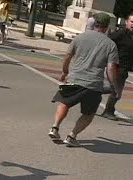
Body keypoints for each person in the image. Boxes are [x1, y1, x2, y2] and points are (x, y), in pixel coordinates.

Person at [48, 12, 122, 147]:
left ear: (94, 23)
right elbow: (111, 68)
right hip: (92, 85)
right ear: (107, 26)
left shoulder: (79, 38)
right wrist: (115, 87)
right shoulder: (110, 45)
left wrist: (65, 72)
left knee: (64, 103)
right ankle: (72, 135)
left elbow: (67, 56)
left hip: (74, 79)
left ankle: (55, 127)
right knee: (89, 114)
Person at [101, 14, 133, 120]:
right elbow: (107, 41)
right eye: (131, 22)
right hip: (117, 66)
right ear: (126, 22)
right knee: (117, 91)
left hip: (125, 67)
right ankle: (108, 110)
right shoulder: (121, 33)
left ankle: (95, 92)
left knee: (116, 90)